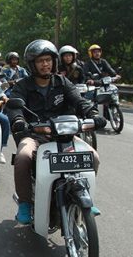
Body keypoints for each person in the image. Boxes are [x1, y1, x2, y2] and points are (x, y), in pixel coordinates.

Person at [6, 40, 107, 225]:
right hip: (34, 135)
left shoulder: (62, 82)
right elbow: (14, 107)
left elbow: (79, 101)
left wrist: (93, 114)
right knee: (23, 157)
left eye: (48, 60)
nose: (45, 64)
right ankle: (25, 204)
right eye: (40, 61)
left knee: (93, 157)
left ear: (54, 61)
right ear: (32, 64)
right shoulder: (23, 85)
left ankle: (86, 196)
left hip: (64, 135)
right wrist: (19, 120)